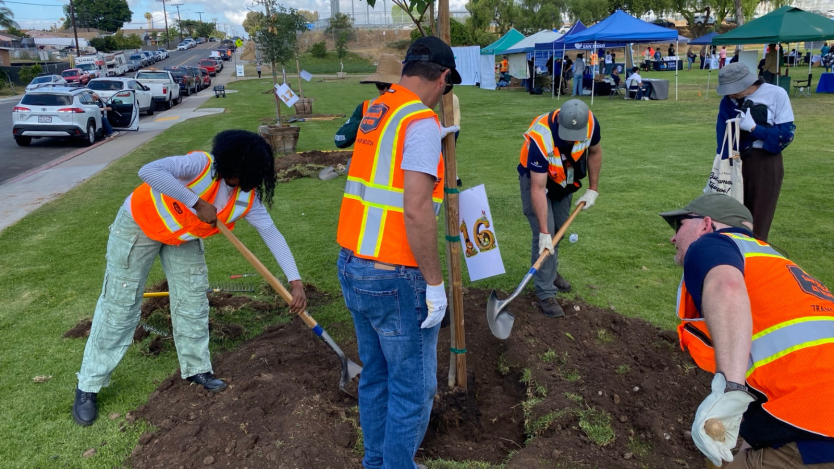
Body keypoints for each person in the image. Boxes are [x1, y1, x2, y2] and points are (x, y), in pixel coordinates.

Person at [72, 130, 308, 426]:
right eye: (238, 175)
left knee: (193, 299)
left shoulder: (247, 197)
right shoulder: (201, 166)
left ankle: (197, 369)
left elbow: (272, 234)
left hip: (181, 239)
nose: (242, 183)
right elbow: (148, 171)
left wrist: (295, 281)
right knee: (120, 305)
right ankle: (89, 385)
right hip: (139, 226)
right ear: (228, 165)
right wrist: (196, 203)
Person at [336, 35, 461, 469]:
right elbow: (415, 208)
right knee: (412, 387)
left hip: (354, 263)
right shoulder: (420, 122)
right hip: (395, 275)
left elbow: (387, 166)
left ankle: (378, 463)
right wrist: (434, 283)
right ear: (444, 78)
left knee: (376, 376)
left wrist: (436, 136)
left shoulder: (380, 109)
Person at [659, 193, 834, 469]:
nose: (673, 238)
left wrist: (729, 390)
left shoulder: (713, 242)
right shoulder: (776, 266)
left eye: (679, 225)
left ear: (705, 224)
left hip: (817, 425)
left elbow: (725, 287)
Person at [517, 99, 602, 317]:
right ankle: (545, 292)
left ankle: (549, 270)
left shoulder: (590, 123)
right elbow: (537, 188)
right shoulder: (541, 135)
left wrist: (593, 188)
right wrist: (545, 231)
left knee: (560, 230)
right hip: (536, 179)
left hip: (564, 177)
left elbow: (594, 152)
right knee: (545, 233)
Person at [715, 63, 795, 241]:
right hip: (735, 161)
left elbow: (785, 136)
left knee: (759, 218)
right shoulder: (728, 101)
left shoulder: (776, 94)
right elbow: (722, 137)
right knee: (731, 215)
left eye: (732, 89)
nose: (729, 94)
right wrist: (719, 166)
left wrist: (753, 128)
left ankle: (755, 257)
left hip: (765, 162)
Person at [334, 54, 412, 149]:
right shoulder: (366, 107)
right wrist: (365, 122)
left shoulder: (410, 110)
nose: (384, 90)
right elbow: (339, 140)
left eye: (391, 86)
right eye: (380, 85)